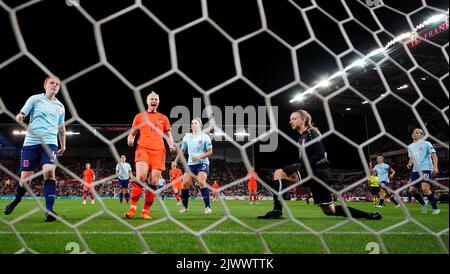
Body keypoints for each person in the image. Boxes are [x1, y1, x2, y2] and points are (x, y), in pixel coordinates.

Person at [257, 109, 382, 220]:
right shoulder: (302, 136)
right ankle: (369, 215)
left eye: (294, 118)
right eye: (290, 119)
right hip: (318, 174)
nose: (291, 121)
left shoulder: (311, 133)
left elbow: (320, 154)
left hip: (317, 172)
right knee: (330, 211)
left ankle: (277, 211)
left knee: (278, 173)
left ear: (304, 119)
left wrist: (300, 166)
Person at [4, 76, 66, 222]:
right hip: (31, 143)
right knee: (26, 180)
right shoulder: (34, 99)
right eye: (52, 83)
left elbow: (62, 128)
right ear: (45, 85)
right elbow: (22, 113)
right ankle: (16, 200)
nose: (55, 85)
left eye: (57, 84)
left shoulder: (60, 107)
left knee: (49, 172)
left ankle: (49, 211)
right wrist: (20, 116)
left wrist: (63, 144)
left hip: (50, 143)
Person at [125, 91, 176, 220]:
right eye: (152, 99)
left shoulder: (163, 118)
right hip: (143, 148)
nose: (154, 101)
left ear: (158, 102)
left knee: (153, 181)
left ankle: (145, 211)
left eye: (156, 99)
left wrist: (171, 145)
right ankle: (132, 209)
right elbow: (132, 133)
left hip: (159, 151)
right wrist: (130, 139)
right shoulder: (139, 116)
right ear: (147, 101)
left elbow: (168, 135)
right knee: (141, 177)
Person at [172, 118, 213, 214]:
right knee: (185, 184)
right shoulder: (187, 137)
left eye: (196, 123)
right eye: (192, 123)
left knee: (201, 181)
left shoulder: (205, 137)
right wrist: (175, 161)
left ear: (200, 125)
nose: (193, 124)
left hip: (202, 163)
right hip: (191, 164)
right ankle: (185, 207)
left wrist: (199, 156)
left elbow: (210, 151)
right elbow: (182, 150)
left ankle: (207, 207)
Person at [407, 128, 440, 215]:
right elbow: (412, 157)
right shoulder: (410, 146)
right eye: (414, 132)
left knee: (425, 188)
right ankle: (423, 204)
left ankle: (435, 209)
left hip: (426, 168)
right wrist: (409, 163)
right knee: (412, 190)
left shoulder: (426, 143)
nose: (415, 134)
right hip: (415, 170)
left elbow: (434, 155)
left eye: (417, 133)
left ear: (422, 135)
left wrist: (435, 167)